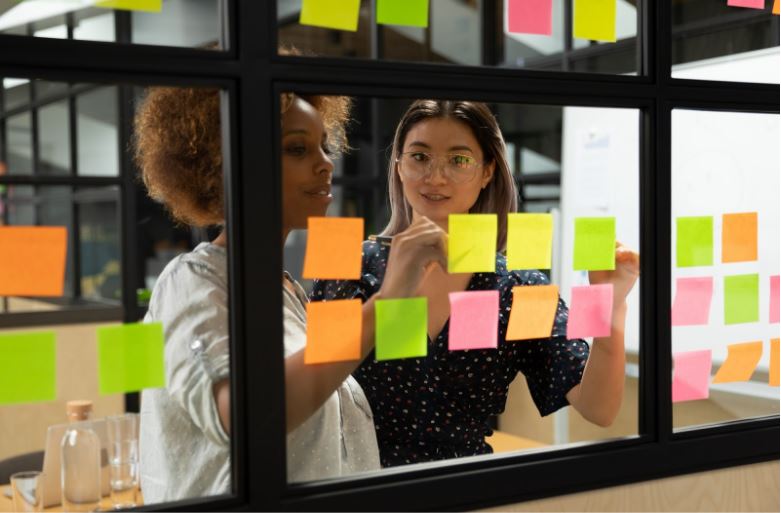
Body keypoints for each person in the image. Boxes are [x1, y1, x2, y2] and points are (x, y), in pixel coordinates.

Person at [133, 86, 449, 500]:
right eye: (297, 149)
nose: (325, 164)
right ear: (231, 164)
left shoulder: (284, 291)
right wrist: (387, 301)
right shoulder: (191, 283)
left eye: (323, 146)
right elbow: (246, 417)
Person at [312, 99, 640, 468]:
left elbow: (598, 408)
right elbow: (312, 393)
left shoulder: (516, 288)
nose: (436, 177)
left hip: (469, 487)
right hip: (357, 487)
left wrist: (611, 304)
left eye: (459, 160)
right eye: (420, 157)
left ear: (487, 172)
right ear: (399, 166)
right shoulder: (351, 268)